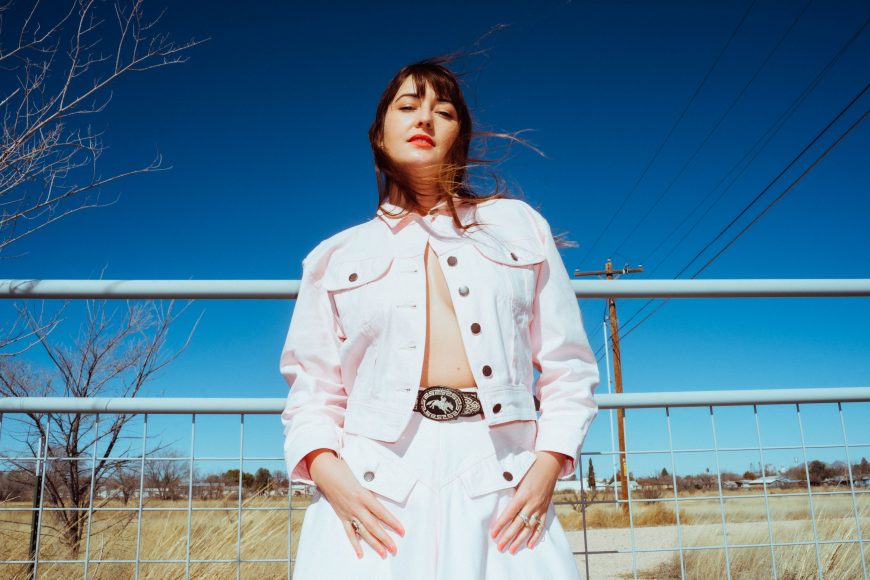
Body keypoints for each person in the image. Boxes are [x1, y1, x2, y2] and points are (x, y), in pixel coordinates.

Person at [279, 56, 600, 579]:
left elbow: (569, 367)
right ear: (379, 135)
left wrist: (548, 465)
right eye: (408, 106)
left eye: (444, 111)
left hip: (505, 478)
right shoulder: (334, 256)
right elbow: (312, 389)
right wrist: (329, 474)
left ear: (459, 137)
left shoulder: (519, 227)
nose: (425, 118)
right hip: (372, 485)